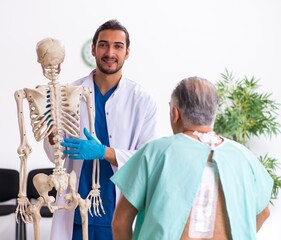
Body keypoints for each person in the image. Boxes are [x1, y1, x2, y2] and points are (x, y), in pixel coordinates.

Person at [111, 76, 273, 240]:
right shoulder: (244, 157)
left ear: (175, 113)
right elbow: (264, 212)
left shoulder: (156, 152)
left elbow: (120, 223)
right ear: (213, 114)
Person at [43, 19, 157, 240]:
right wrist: (52, 132)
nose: (110, 52)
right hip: (75, 206)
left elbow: (147, 159)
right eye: (103, 45)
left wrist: (104, 152)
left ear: (127, 53)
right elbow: (53, 154)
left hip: (116, 207)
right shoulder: (67, 93)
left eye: (118, 46)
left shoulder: (142, 100)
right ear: (93, 49)